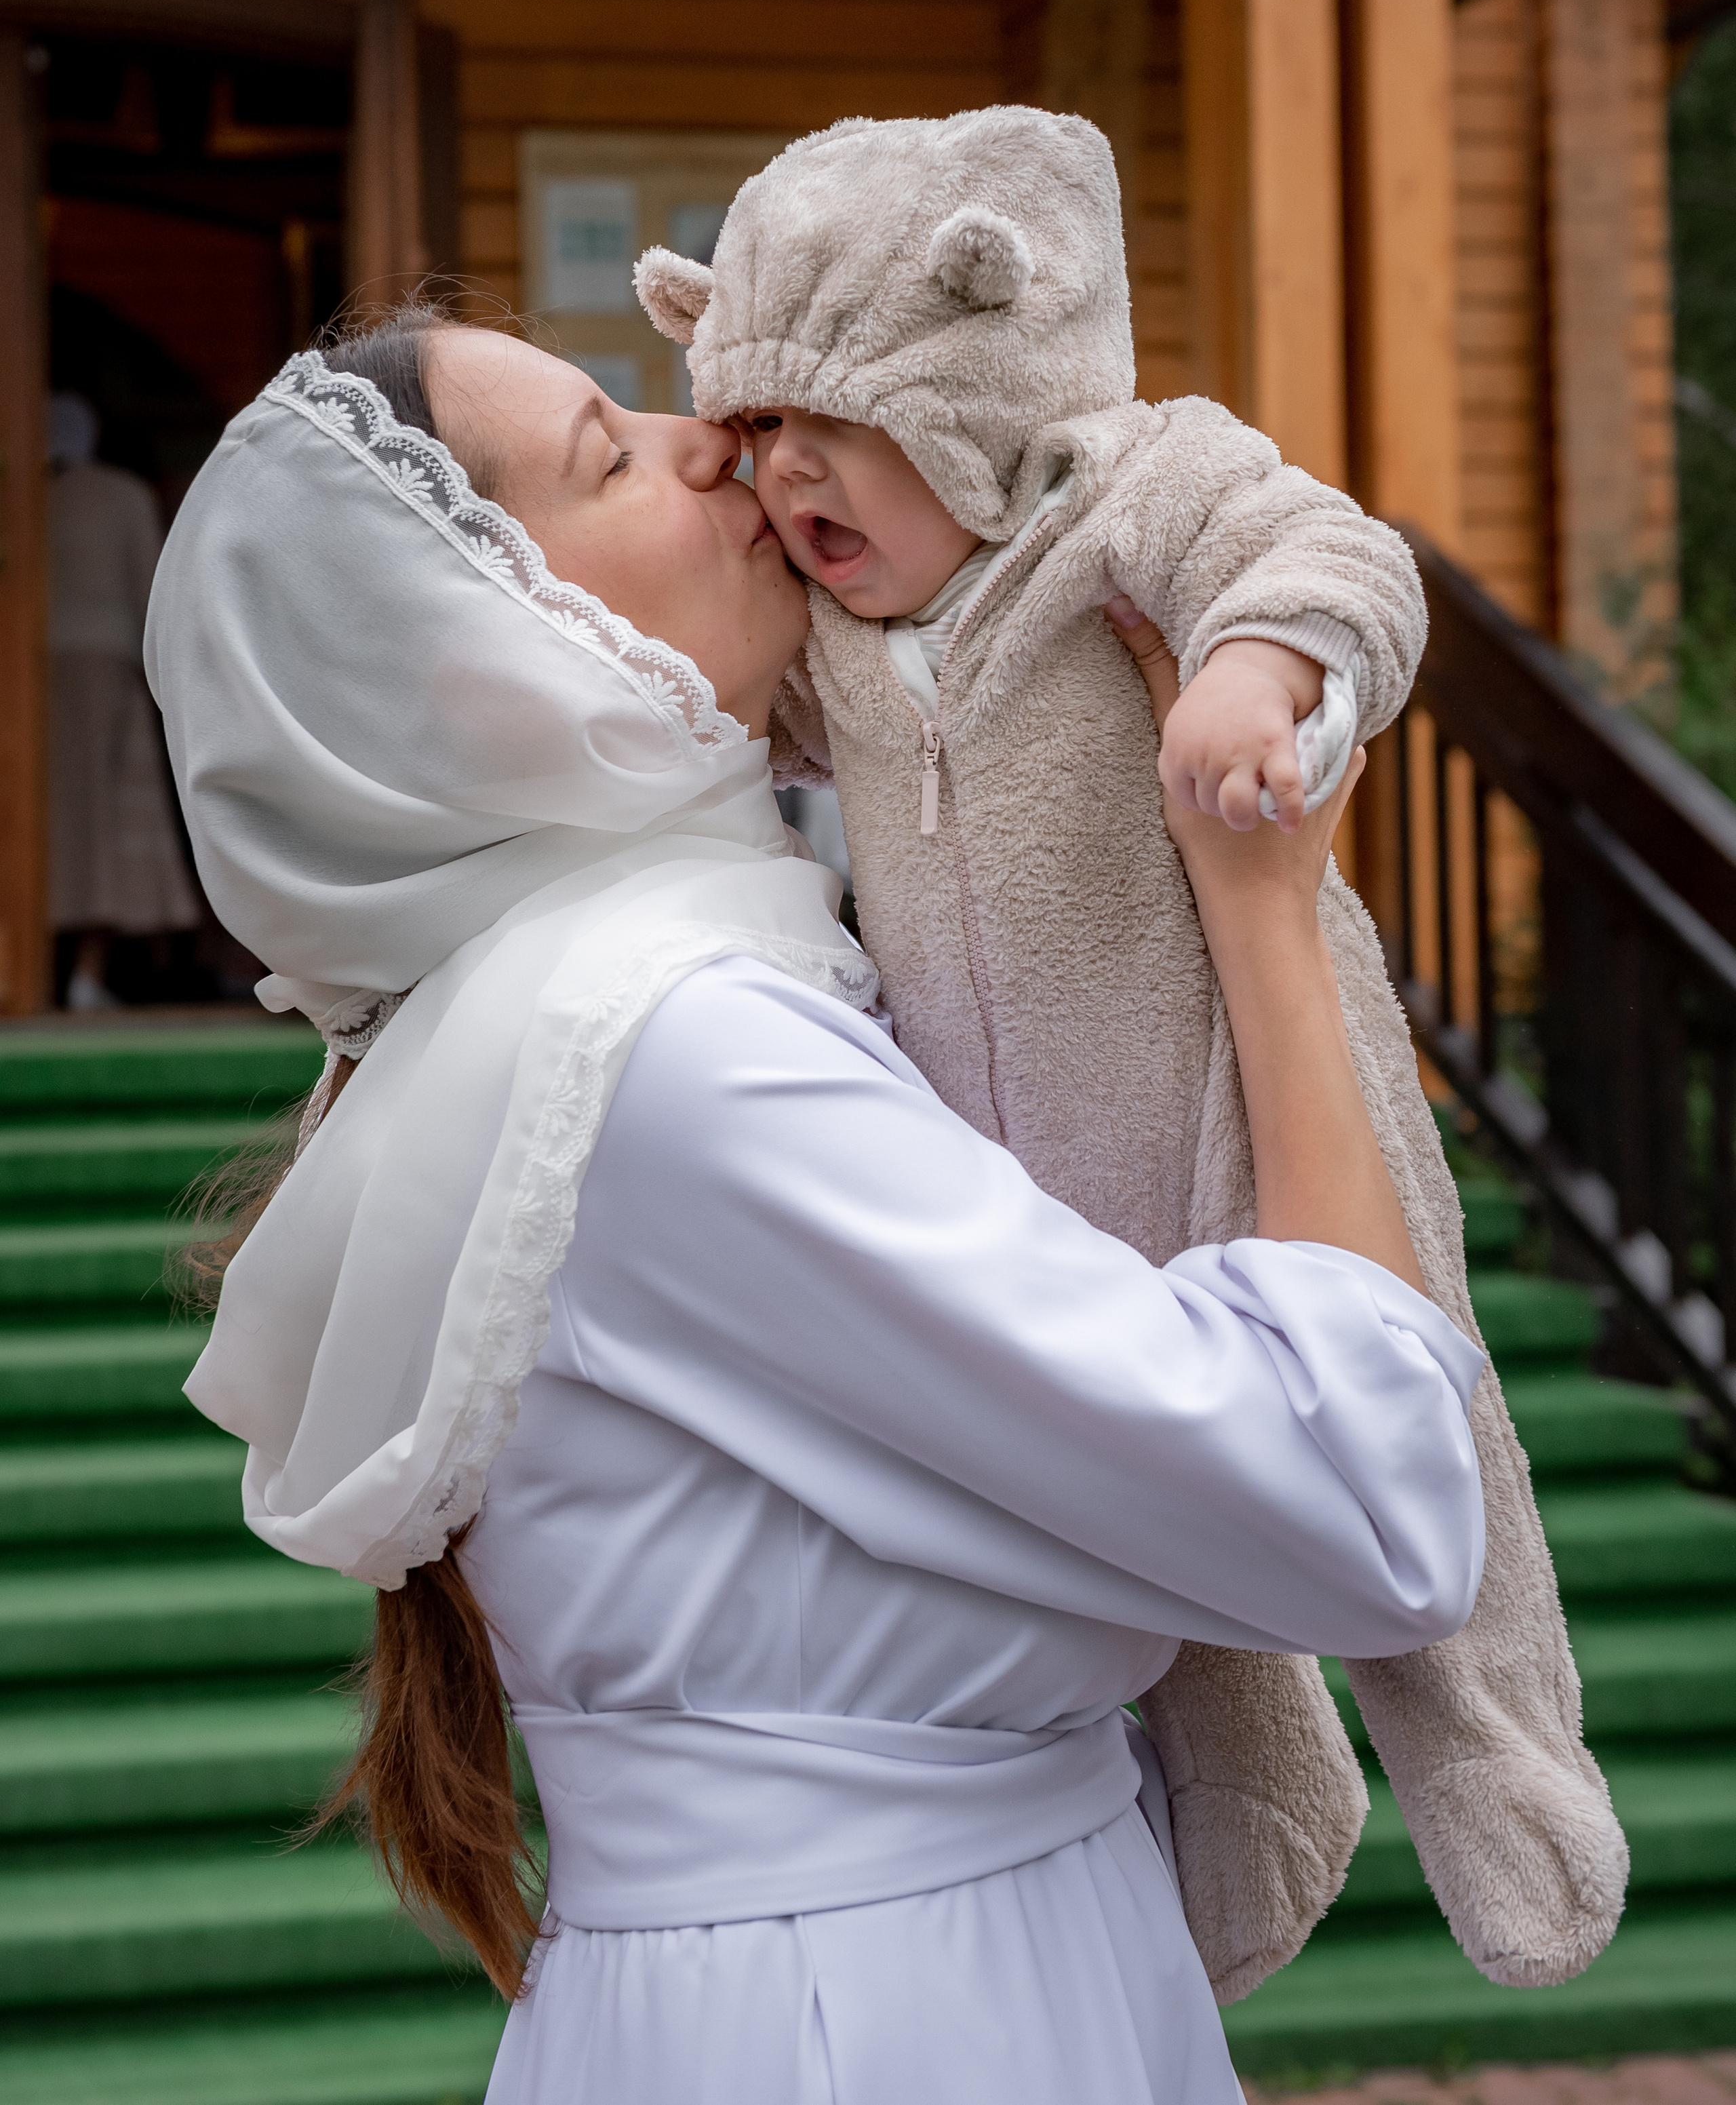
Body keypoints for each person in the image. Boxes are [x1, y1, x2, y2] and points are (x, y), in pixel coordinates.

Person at [149, 311, 1485, 2105]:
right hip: (888, 2014)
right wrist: (1261, 903)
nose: (705, 437)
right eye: (608, 454)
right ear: (480, 661)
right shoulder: (672, 1052)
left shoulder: (562, 1020)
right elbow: (1360, 1506)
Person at [633, 109, 1627, 1999]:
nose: (783, 472)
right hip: (1011, 1168)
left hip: (1241, 1082)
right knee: (1136, 1490)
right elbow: (722, 720)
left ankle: (1497, 1758)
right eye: (752, 426)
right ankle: (1259, 1791)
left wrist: (1259, 669)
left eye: (833, 418)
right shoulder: (839, 624)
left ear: (989, 377)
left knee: (1406, 1401)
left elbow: (1329, 555)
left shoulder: (1133, 483)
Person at [47, 389, 198, 1008]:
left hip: (27, 681)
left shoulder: (22, 496)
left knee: (48, 817)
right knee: (104, 821)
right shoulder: (126, 496)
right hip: (108, 671)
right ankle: (86, 972)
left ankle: (34, 973)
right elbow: (153, 599)